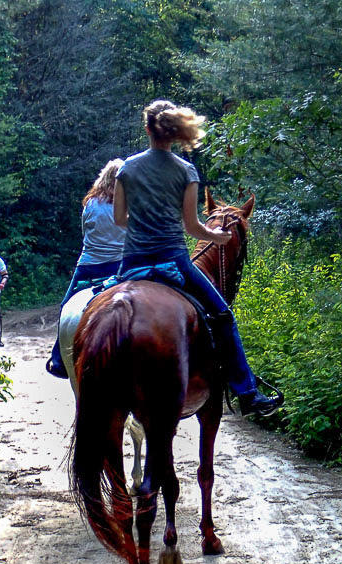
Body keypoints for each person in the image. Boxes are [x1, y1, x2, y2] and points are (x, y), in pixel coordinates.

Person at [113, 99, 283, 417]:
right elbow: (192, 227)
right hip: (174, 263)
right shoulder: (185, 170)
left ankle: (64, 360)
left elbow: (120, 219)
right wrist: (217, 237)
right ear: (175, 131)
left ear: (147, 128)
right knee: (223, 316)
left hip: (132, 263)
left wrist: (142, 222)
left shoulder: (127, 168)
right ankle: (248, 394)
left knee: (93, 308)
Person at [46, 158, 126, 378]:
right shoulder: (128, 203)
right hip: (119, 266)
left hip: (89, 265)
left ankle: (59, 359)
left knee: (65, 307)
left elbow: (85, 234)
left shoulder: (90, 204)